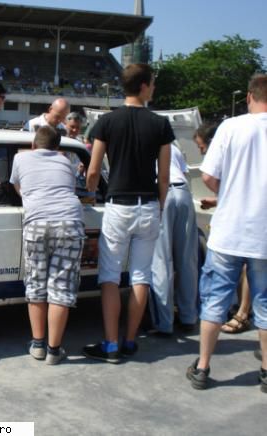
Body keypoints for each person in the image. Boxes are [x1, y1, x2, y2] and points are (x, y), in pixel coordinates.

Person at [82, 63, 174, 363]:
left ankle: (110, 344)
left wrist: (92, 192)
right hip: (147, 205)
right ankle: (131, 340)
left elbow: (94, 169)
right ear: (145, 86)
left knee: (109, 276)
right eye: (154, 84)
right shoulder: (160, 124)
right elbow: (164, 177)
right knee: (140, 276)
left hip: (118, 205)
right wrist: (159, 206)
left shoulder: (107, 122)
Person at [186, 74, 267, 393]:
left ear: (248, 97)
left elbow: (208, 175)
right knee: (265, 304)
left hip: (229, 230)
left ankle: (203, 366)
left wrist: (229, 193)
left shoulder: (231, 127)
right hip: (264, 233)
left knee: (215, 300)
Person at [10, 125, 85, 365]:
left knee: (36, 282)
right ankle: (54, 350)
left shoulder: (20, 158)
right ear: (57, 147)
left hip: (36, 222)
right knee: (61, 286)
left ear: (34, 145)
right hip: (69, 222)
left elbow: (18, 188)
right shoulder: (66, 161)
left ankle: (38, 345)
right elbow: (70, 189)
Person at [194, 123, 252, 334]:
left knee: (246, 266)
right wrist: (219, 199)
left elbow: (239, 191)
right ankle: (241, 310)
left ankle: (243, 313)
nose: (201, 151)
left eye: (202, 147)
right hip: (243, 218)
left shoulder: (228, 151)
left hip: (242, 224)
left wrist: (225, 195)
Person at [148, 142, 198, 336]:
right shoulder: (173, 147)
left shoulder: (147, 144)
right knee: (187, 260)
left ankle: (164, 322)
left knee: (161, 260)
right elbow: (183, 173)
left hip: (162, 193)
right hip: (183, 193)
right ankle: (188, 316)